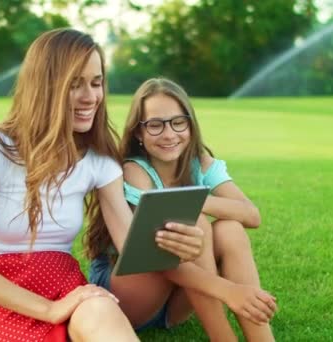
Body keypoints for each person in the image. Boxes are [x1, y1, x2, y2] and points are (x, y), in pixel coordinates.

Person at [0, 29, 204, 342]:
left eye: (96, 83)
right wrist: (49, 310)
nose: (90, 97)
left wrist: (184, 249)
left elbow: (132, 245)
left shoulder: (98, 160)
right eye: (74, 84)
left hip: (63, 281)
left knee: (101, 311)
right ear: (44, 87)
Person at [86, 77, 276, 341]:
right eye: (155, 125)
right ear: (139, 132)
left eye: (178, 122)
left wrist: (193, 199)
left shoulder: (201, 163)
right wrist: (227, 290)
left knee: (229, 229)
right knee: (192, 224)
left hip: (175, 303)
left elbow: (251, 215)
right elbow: (150, 254)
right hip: (126, 294)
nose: (169, 134)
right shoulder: (134, 171)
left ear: (190, 124)